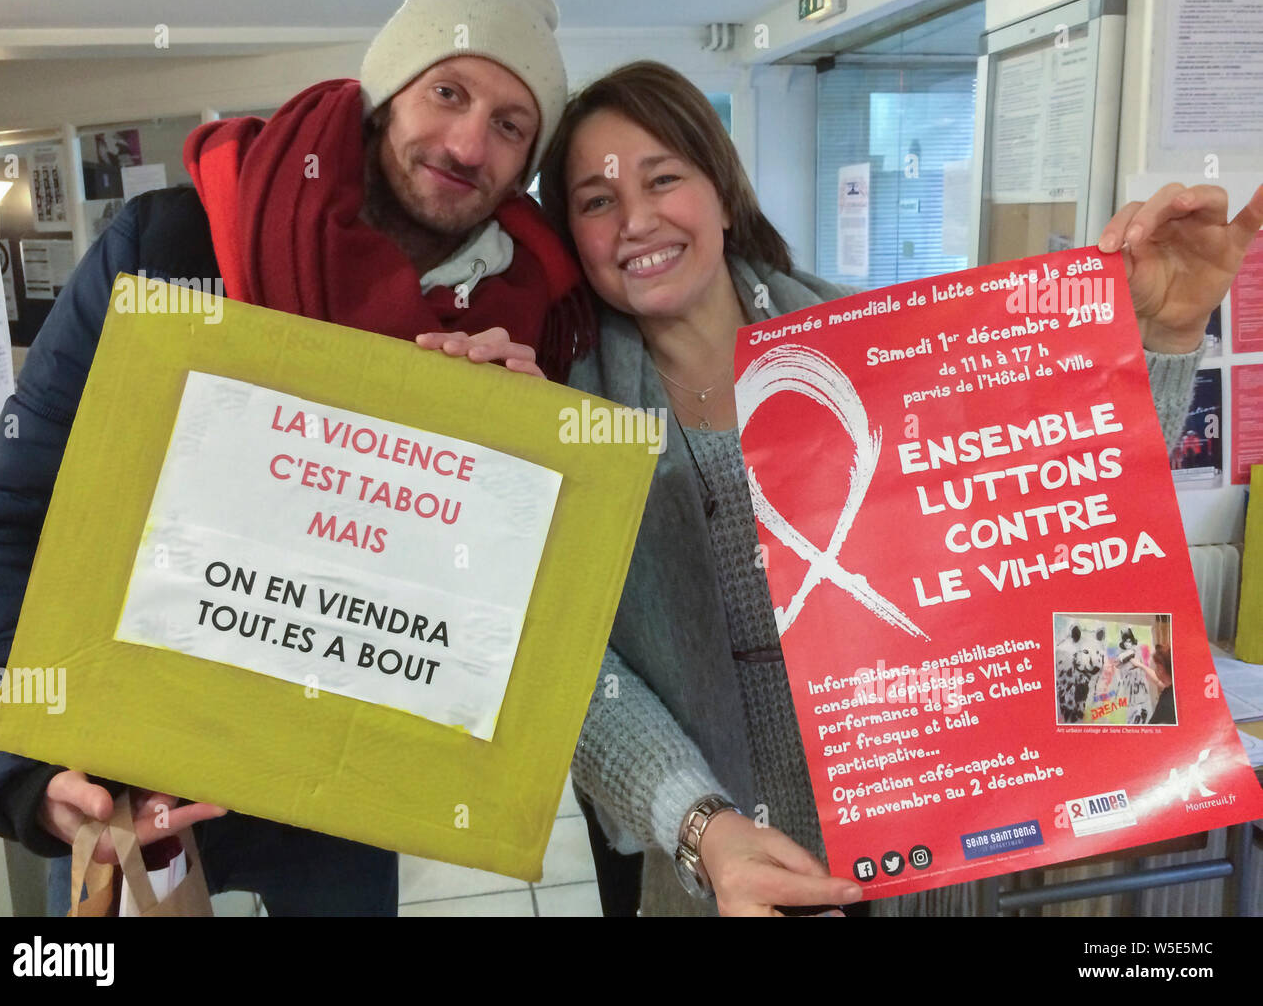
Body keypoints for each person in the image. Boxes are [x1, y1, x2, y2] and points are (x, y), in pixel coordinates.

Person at [538, 60, 1263, 917]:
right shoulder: (567, 415)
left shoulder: (883, 351)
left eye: (665, 179)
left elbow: (1069, 499)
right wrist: (702, 828)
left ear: (723, 193)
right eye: (596, 200)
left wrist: (1168, 332)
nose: (637, 220)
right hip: (725, 874)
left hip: (934, 855)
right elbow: (569, 669)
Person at [0, 0, 593, 916]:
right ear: (388, 93)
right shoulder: (171, 247)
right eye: (447, 92)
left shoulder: (532, 322)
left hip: (337, 811)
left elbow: (513, 628)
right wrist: (15, 754)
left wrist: (521, 472)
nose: (468, 143)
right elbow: (7, 517)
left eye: (511, 123)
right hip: (125, 785)